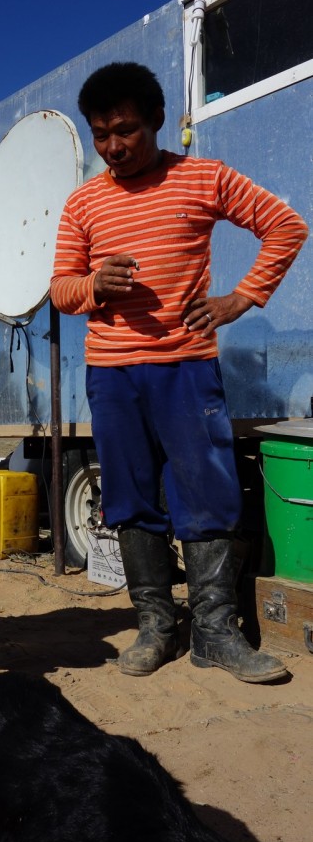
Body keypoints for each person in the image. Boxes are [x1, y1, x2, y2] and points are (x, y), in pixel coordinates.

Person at [50, 61, 308, 684]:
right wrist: (93, 285)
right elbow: (59, 289)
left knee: (207, 491)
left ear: (157, 120)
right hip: (112, 374)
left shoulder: (203, 177)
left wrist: (236, 301)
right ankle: (154, 627)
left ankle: (215, 632)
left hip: (187, 367)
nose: (113, 146)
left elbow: (286, 226)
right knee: (130, 496)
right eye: (101, 134)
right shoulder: (83, 201)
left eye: (126, 130)